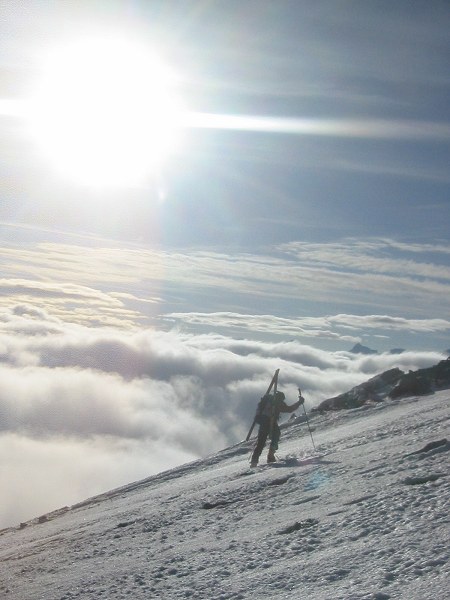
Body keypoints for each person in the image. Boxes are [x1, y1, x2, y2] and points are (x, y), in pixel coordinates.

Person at [250, 390, 304, 467]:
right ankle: (270, 456)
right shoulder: (278, 402)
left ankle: (254, 462)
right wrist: (299, 402)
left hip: (262, 422)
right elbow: (289, 409)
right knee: (276, 435)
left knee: (261, 443)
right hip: (269, 421)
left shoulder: (266, 401)